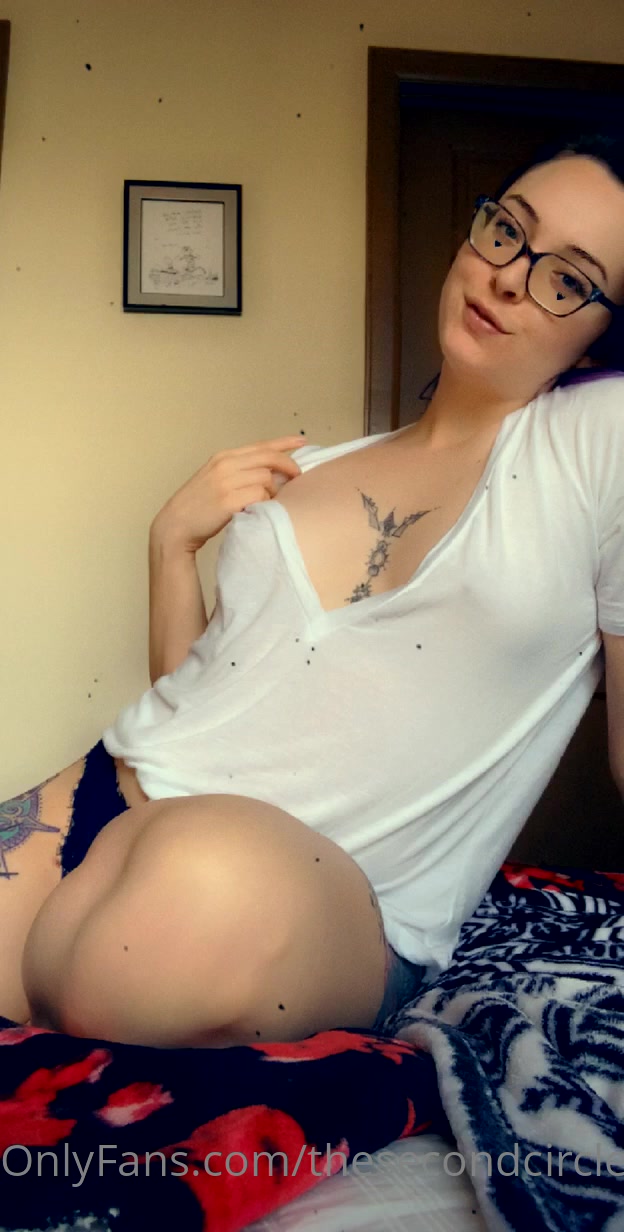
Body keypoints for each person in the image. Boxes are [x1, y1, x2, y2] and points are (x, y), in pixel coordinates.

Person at [4, 130, 624, 1049]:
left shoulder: (599, 445)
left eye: (566, 279)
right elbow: (211, 701)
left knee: (175, 920)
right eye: (508, 232)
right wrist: (170, 547)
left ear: (600, 340)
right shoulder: (313, 468)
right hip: (111, 789)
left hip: (319, 899)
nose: (507, 277)